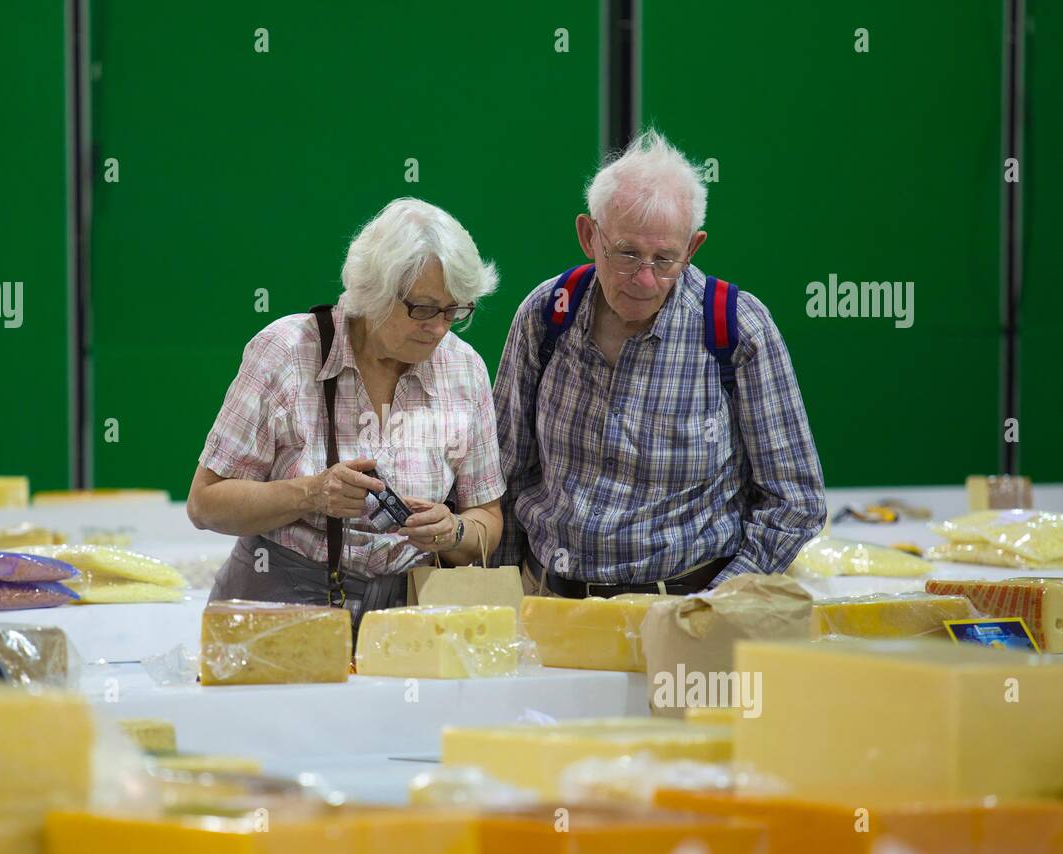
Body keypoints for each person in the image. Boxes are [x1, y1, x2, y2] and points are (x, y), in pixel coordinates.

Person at [492, 130, 827, 596]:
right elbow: (502, 476)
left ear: (693, 249)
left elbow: (795, 504)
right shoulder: (548, 313)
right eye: (626, 253)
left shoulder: (737, 328)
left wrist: (714, 607)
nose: (645, 279)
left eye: (665, 259)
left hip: (684, 609)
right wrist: (502, 599)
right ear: (589, 236)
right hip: (547, 603)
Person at [189, 198, 506, 626]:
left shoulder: (464, 369)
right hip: (282, 601)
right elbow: (206, 503)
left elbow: (487, 518)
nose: (439, 327)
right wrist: (312, 494)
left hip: (408, 615)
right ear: (374, 290)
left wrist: (454, 532)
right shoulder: (285, 352)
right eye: (424, 308)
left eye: (455, 310)